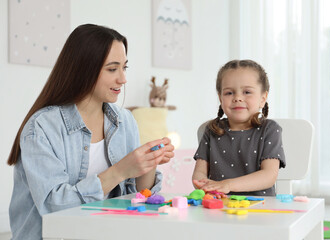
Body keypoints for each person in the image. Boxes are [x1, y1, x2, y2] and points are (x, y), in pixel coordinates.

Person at [7, 24, 174, 240]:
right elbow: (53, 208)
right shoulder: (42, 127)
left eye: (125, 68)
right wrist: (120, 171)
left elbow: (135, 196)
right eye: (112, 69)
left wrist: (149, 162)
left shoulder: (125, 121)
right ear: (84, 68)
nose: (123, 79)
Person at [192, 59, 285, 196]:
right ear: (220, 98)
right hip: (219, 209)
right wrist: (204, 184)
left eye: (247, 92)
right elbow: (199, 172)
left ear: (263, 98)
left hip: (260, 210)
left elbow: (268, 176)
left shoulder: (269, 130)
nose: (237, 98)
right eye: (229, 93)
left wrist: (227, 185)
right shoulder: (211, 130)